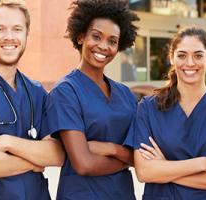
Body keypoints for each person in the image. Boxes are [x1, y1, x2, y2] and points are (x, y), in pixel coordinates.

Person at [42, 0, 139, 199]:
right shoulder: (66, 92)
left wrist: (109, 148)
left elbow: (138, 157)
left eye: (112, 41)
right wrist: (124, 158)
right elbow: (84, 164)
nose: (103, 46)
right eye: (96, 36)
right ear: (80, 37)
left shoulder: (126, 95)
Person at [126, 26, 206, 200]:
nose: (190, 63)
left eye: (198, 55)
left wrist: (165, 168)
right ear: (171, 57)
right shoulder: (148, 108)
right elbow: (144, 172)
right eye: (182, 55)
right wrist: (203, 163)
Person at [0, 0, 65, 199]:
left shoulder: (36, 92)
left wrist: (7, 142)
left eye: (17, 29)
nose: (9, 37)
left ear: (27, 34)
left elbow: (56, 154)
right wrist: (35, 162)